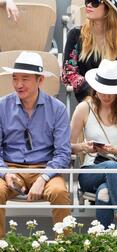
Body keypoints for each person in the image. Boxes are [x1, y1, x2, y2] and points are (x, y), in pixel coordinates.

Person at [0, 51, 71, 238]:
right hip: (11, 168)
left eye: (25, 79)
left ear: (40, 80)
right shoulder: (2, 106)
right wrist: (6, 173)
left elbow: (63, 153)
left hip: (45, 168)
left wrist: (44, 178)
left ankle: (66, 250)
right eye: (15, 78)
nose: (18, 84)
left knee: (59, 192)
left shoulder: (58, 109)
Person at [70, 59, 117, 227]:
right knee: (111, 167)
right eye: (102, 90)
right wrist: (83, 147)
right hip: (91, 170)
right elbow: (65, 146)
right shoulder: (84, 108)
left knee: (105, 192)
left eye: (111, 91)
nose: (106, 95)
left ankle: (100, 239)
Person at [62, 0, 117, 103]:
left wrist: (112, 97)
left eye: (95, 2)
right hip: (89, 101)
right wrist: (99, 94)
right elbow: (69, 73)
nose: (88, 5)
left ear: (108, 8)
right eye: (87, 1)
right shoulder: (75, 35)